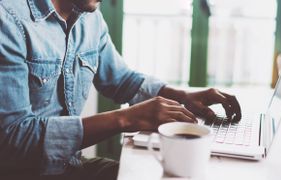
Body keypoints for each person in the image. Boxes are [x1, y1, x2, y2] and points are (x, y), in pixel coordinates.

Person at [0, 0, 241, 179]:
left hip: (68, 166)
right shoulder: (8, 19)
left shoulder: (89, 15)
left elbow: (121, 80)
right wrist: (126, 119)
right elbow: (14, 138)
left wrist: (184, 97)